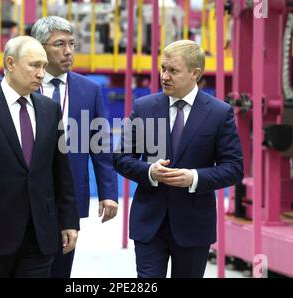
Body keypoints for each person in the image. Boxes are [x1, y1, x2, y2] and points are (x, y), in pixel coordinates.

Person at [0, 36, 79, 278]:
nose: (42, 74)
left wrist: (69, 220)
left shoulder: (49, 110)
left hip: (40, 235)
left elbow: (61, 170)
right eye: (34, 65)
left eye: (43, 65)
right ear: (10, 63)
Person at [113, 40, 243, 278]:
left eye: (173, 70)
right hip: (149, 224)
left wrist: (194, 177)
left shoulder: (219, 112)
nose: (165, 76)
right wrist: (150, 172)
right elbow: (122, 157)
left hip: (193, 226)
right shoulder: (144, 107)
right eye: (163, 68)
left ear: (195, 73)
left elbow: (234, 168)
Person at [31, 16, 118, 278]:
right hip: (28, 192)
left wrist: (108, 192)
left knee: (61, 267)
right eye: (59, 44)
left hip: (68, 195)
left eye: (72, 44)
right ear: (39, 47)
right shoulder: (24, 86)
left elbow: (100, 144)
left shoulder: (88, 90)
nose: (68, 51)